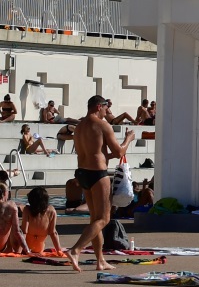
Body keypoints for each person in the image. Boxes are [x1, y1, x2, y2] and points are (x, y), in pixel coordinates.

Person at [65, 95, 134, 271]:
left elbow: (97, 153)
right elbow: (119, 152)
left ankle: (100, 260)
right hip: (97, 174)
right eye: (106, 107)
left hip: (83, 173)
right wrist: (129, 139)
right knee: (104, 218)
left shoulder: (79, 127)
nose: (107, 111)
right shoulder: (102, 125)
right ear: (98, 106)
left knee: (95, 220)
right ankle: (75, 250)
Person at [19, 186, 70, 259]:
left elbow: (24, 232)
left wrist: (23, 251)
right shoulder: (51, 210)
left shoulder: (27, 210)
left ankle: (10, 248)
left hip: (26, 247)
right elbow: (53, 233)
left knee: (16, 229)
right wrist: (59, 251)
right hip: (39, 249)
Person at [0, 181, 32, 255]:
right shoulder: (11, 206)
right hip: (2, 246)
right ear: (4, 193)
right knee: (14, 226)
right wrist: (27, 251)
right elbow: (17, 231)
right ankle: (12, 248)